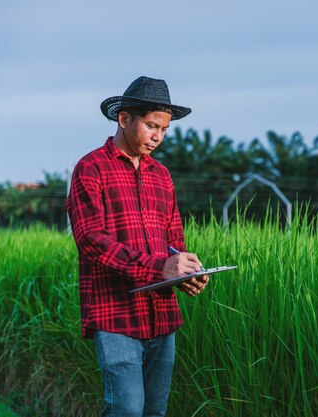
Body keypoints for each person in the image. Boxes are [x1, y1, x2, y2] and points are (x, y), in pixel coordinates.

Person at [66, 76, 209, 417]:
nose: (158, 136)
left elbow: (174, 241)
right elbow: (92, 241)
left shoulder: (161, 175)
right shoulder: (91, 169)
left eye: (164, 128)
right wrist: (159, 268)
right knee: (126, 410)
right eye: (151, 126)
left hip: (161, 314)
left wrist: (186, 271)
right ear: (124, 118)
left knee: (154, 412)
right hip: (115, 313)